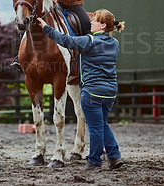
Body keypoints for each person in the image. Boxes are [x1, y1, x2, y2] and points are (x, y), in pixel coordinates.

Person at [37, 9, 125, 171]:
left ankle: (94, 161)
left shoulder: (89, 41)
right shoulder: (115, 44)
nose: (91, 22)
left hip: (92, 93)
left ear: (103, 25)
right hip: (110, 92)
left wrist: (46, 29)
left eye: (95, 21)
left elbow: (66, 41)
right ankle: (114, 156)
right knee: (103, 125)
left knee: (95, 128)